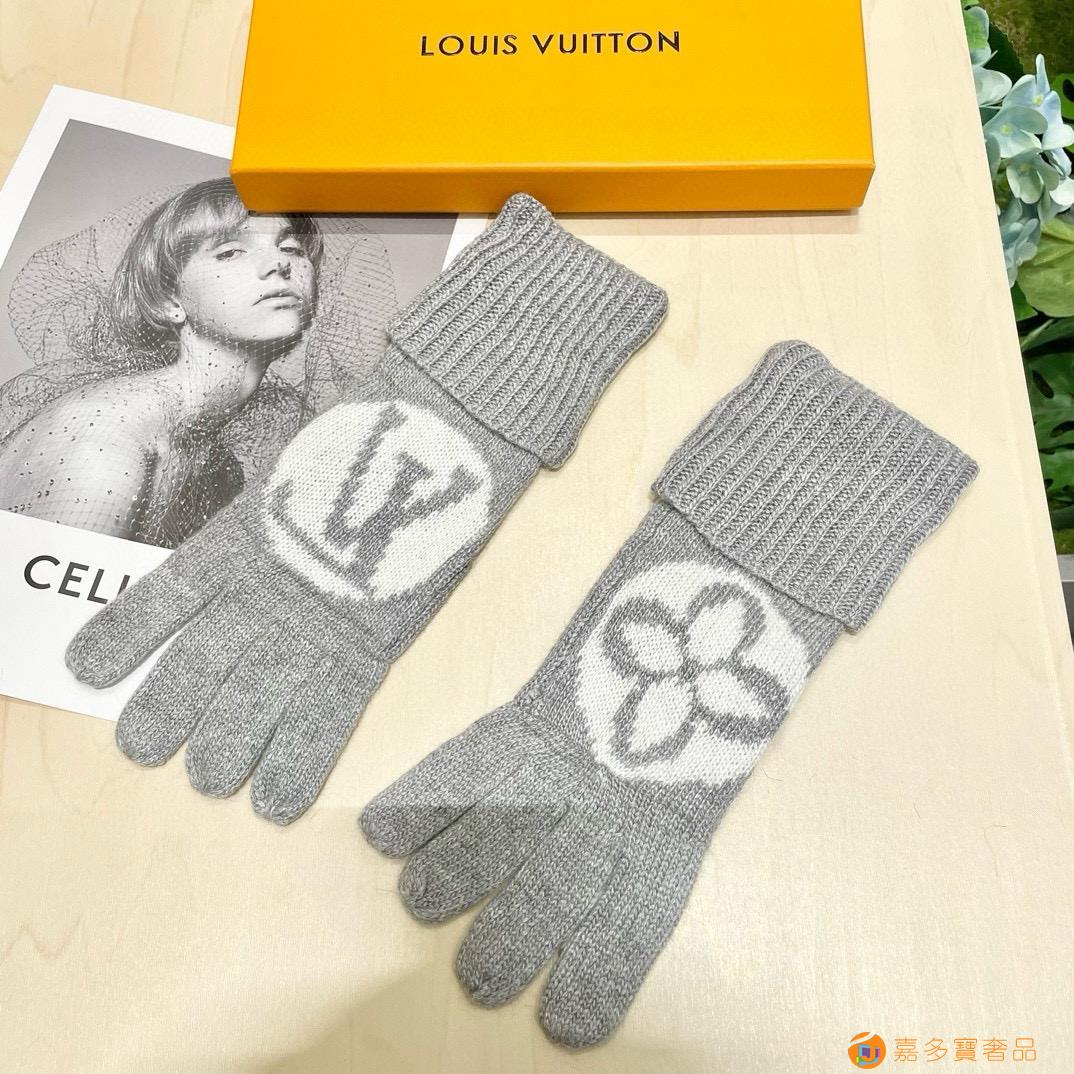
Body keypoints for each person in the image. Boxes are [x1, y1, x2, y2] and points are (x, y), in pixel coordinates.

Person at [0, 178, 326, 546]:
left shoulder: (217, 461)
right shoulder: (105, 438)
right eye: (230, 252)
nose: (280, 263)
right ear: (169, 301)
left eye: (291, 247)